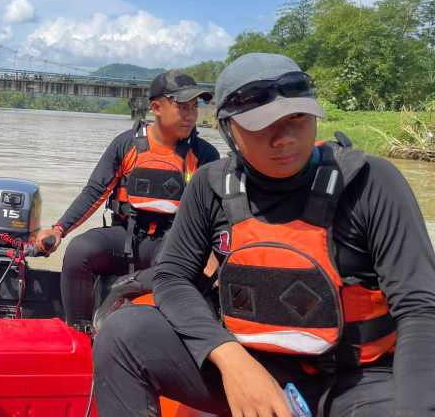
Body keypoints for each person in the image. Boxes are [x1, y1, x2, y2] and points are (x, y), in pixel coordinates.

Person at [93, 53, 435, 416]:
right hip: (248, 364)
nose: (285, 139)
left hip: (356, 383)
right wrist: (230, 357)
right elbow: (172, 277)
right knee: (124, 333)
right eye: (262, 125)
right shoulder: (210, 185)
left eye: (298, 118)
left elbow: (420, 307)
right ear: (228, 129)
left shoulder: (370, 181)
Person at [35, 71, 220, 330]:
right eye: (182, 107)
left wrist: (215, 256)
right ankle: (80, 331)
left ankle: (126, 294)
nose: (191, 115)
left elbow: (215, 215)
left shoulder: (204, 155)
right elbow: (95, 192)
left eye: (194, 107)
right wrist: (58, 229)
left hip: (173, 244)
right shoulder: (126, 145)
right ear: (156, 107)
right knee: (79, 251)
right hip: (126, 237)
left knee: (178, 270)